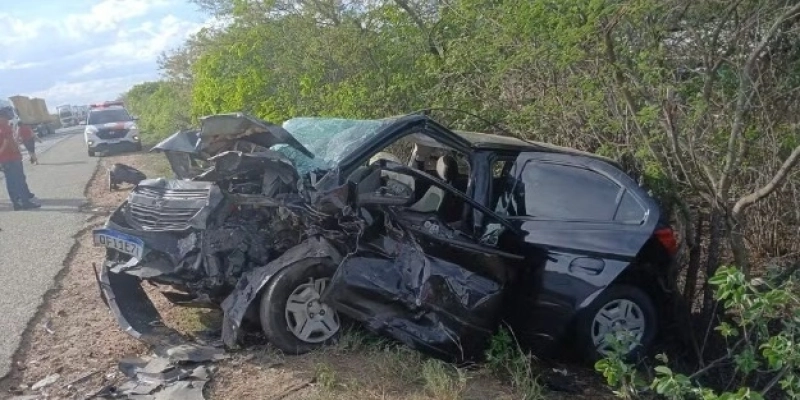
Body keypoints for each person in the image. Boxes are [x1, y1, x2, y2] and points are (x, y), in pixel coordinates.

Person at [0, 106, 39, 210]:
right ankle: (25, 202)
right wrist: (17, 152)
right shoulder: (4, 124)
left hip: (4, 160)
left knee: (10, 181)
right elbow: (8, 141)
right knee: (19, 180)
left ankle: (16, 203)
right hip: (11, 157)